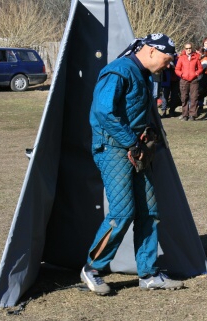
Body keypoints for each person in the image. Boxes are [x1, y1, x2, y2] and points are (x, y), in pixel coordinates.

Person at [82, 33, 184, 295]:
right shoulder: (118, 71)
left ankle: (148, 274)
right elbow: (104, 112)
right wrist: (131, 142)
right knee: (123, 211)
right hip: (113, 148)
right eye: (167, 58)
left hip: (135, 149)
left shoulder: (144, 75)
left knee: (150, 211)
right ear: (151, 51)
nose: (169, 65)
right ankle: (92, 269)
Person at [175, 43, 203, 121]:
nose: (188, 50)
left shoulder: (196, 57)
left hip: (194, 80)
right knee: (184, 98)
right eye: (187, 48)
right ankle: (185, 115)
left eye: (190, 48)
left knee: (194, 97)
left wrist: (196, 73)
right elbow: (177, 69)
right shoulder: (181, 58)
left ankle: (192, 115)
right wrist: (182, 74)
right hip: (184, 80)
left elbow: (200, 68)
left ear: (192, 48)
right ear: (185, 49)